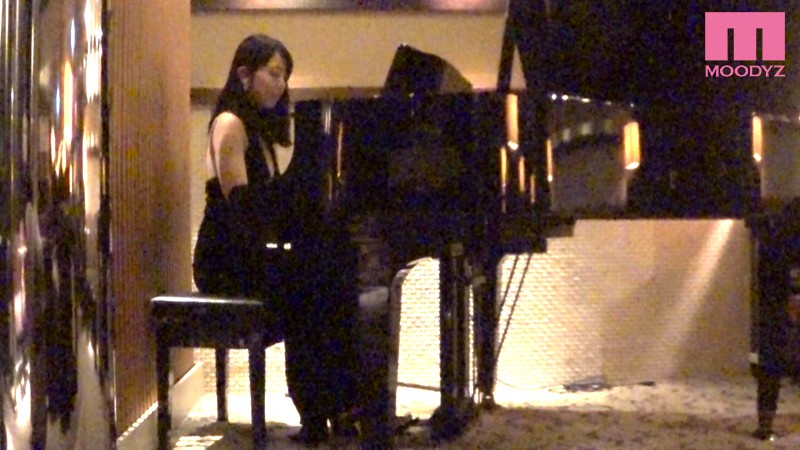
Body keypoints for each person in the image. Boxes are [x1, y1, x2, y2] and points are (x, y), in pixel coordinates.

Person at [192, 33, 358, 446]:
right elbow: (242, 207)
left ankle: (334, 406)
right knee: (310, 286)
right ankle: (319, 410)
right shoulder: (229, 124)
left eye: (285, 76)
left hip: (246, 253)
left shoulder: (259, 133)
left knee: (330, 276)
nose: (282, 85)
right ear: (244, 74)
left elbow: (269, 210)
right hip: (223, 261)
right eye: (274, 73)